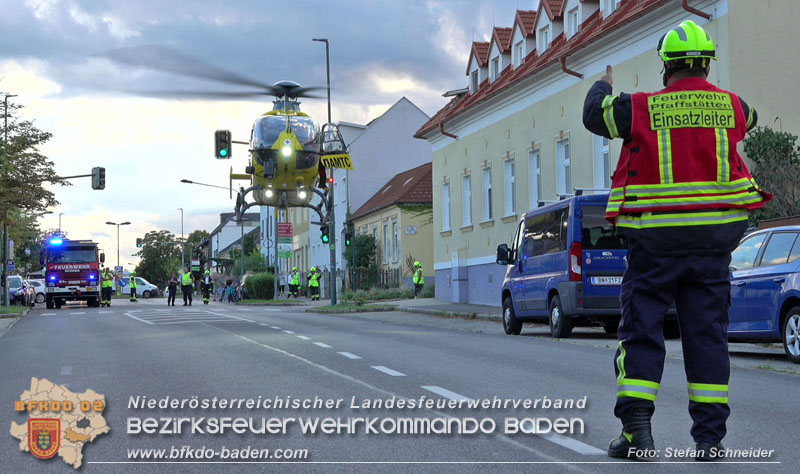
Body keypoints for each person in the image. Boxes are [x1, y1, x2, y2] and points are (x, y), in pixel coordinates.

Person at [582, 20, 770, 462]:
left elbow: (594, 115)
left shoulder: (641, 108)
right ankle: (709, 441)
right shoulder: (731, 107)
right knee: (707, 338)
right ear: (707, 65)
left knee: (641, 333)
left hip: (655, 246)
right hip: (713, 247)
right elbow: (751, 117)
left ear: (666, 66)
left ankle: (637, 434)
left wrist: (603, 84)